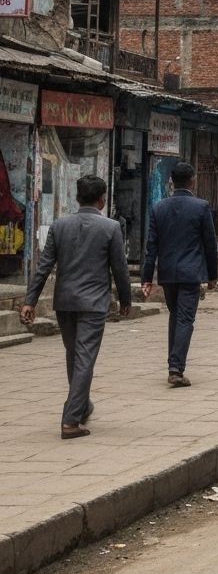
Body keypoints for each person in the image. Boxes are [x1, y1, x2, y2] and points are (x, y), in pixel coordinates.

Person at [20, 174, 131, 440]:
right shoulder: (111, 227)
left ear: (77, 198)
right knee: (84, 358)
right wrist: (126, 299)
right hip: (93, 304)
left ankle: (81, 406)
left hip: (65, 303)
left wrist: (30, 300)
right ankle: (70, 421)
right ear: (102, 200)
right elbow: (120, 268)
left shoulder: (60, 225)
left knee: (74, 355)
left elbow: (44, 266)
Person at [142, 161, 217, 387]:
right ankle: (176, 368)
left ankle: (173, 363)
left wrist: (147, 277)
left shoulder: (159, 208)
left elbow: (151, 246)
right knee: (184, 319)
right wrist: (213, 275)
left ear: (171, 182)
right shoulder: (201, 207)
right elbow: (210, 244)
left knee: (176, 317)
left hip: (168, 274)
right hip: (191, 273)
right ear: (193, 181)